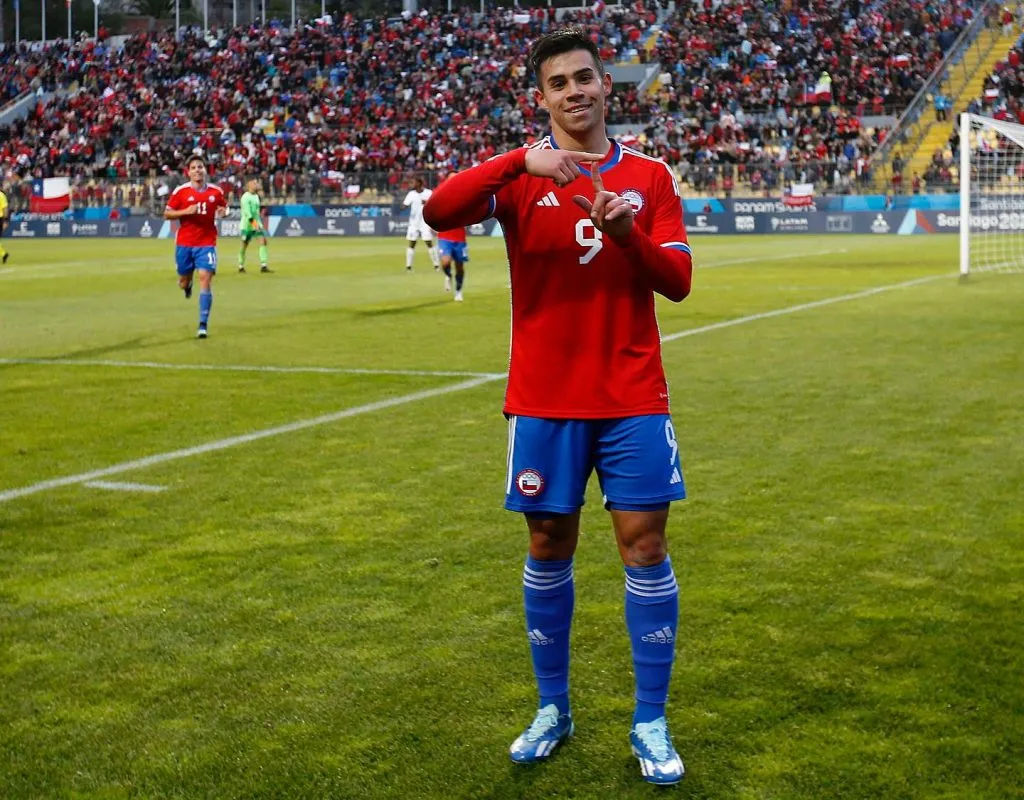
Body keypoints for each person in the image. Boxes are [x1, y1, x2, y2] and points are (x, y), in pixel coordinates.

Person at [424, 27, 693, 786]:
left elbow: (676, 280)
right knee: (547, 546)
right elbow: (439, 212)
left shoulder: (650, 176)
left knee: (644, 548)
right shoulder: (520, 177)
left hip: (633, 393)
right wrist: (518, 161)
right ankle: (553, 709)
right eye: (559, 83)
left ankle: (650, 720)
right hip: (544, 398)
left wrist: (627, 234)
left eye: (585, 78)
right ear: (540, 98)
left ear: (607, 86)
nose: (575, 91)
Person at [164, 155, 228, 339]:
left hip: (206, 243)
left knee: (205, 278)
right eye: (193, 167)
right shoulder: (181, 192)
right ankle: (186, 285)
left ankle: (202, 324)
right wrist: (186, 211)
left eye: (200, 167)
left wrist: (224, 212)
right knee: (183, 280)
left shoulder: (215, 192)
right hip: (185, 243)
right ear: (188, 172)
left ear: (205, 170)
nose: (197, 170)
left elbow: (224, 207)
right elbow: (167, 214)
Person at [402, 176, 440, 271]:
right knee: (412, 243)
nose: (411, 184)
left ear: (419, 183)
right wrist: (404, 205)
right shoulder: (411, 194)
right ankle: (408, 266)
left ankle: (436, 265)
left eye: (413, 182)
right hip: (413, 223)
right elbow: (404, 205)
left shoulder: (428, 193)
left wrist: (427, 202)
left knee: (428, 242)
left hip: (425, 222)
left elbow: (435, 204)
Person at [238, 177, 272, 273]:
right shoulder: (245, 197)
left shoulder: (256, 196)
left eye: (256, 183)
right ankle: (241, 265)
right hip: (247, 226)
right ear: (248, 185)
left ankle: (263, 265)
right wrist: (254, 224)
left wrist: (259, 224)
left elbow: (256, 213)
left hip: (256, 224)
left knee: (263, 241)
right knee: (244, 245)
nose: (256, 185)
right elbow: (248, 214)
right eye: (254, 183)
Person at [437, 223, 468, 301]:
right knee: (445, 262)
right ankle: (448, 275)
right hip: (444, 236)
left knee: (459, 267)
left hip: (460, 238)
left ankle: (458, 290)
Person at [0, 185, 9, 264]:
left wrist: (5, 221)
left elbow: (5, 209)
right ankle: (4, 254)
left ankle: (4, 254)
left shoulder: (1, 196)